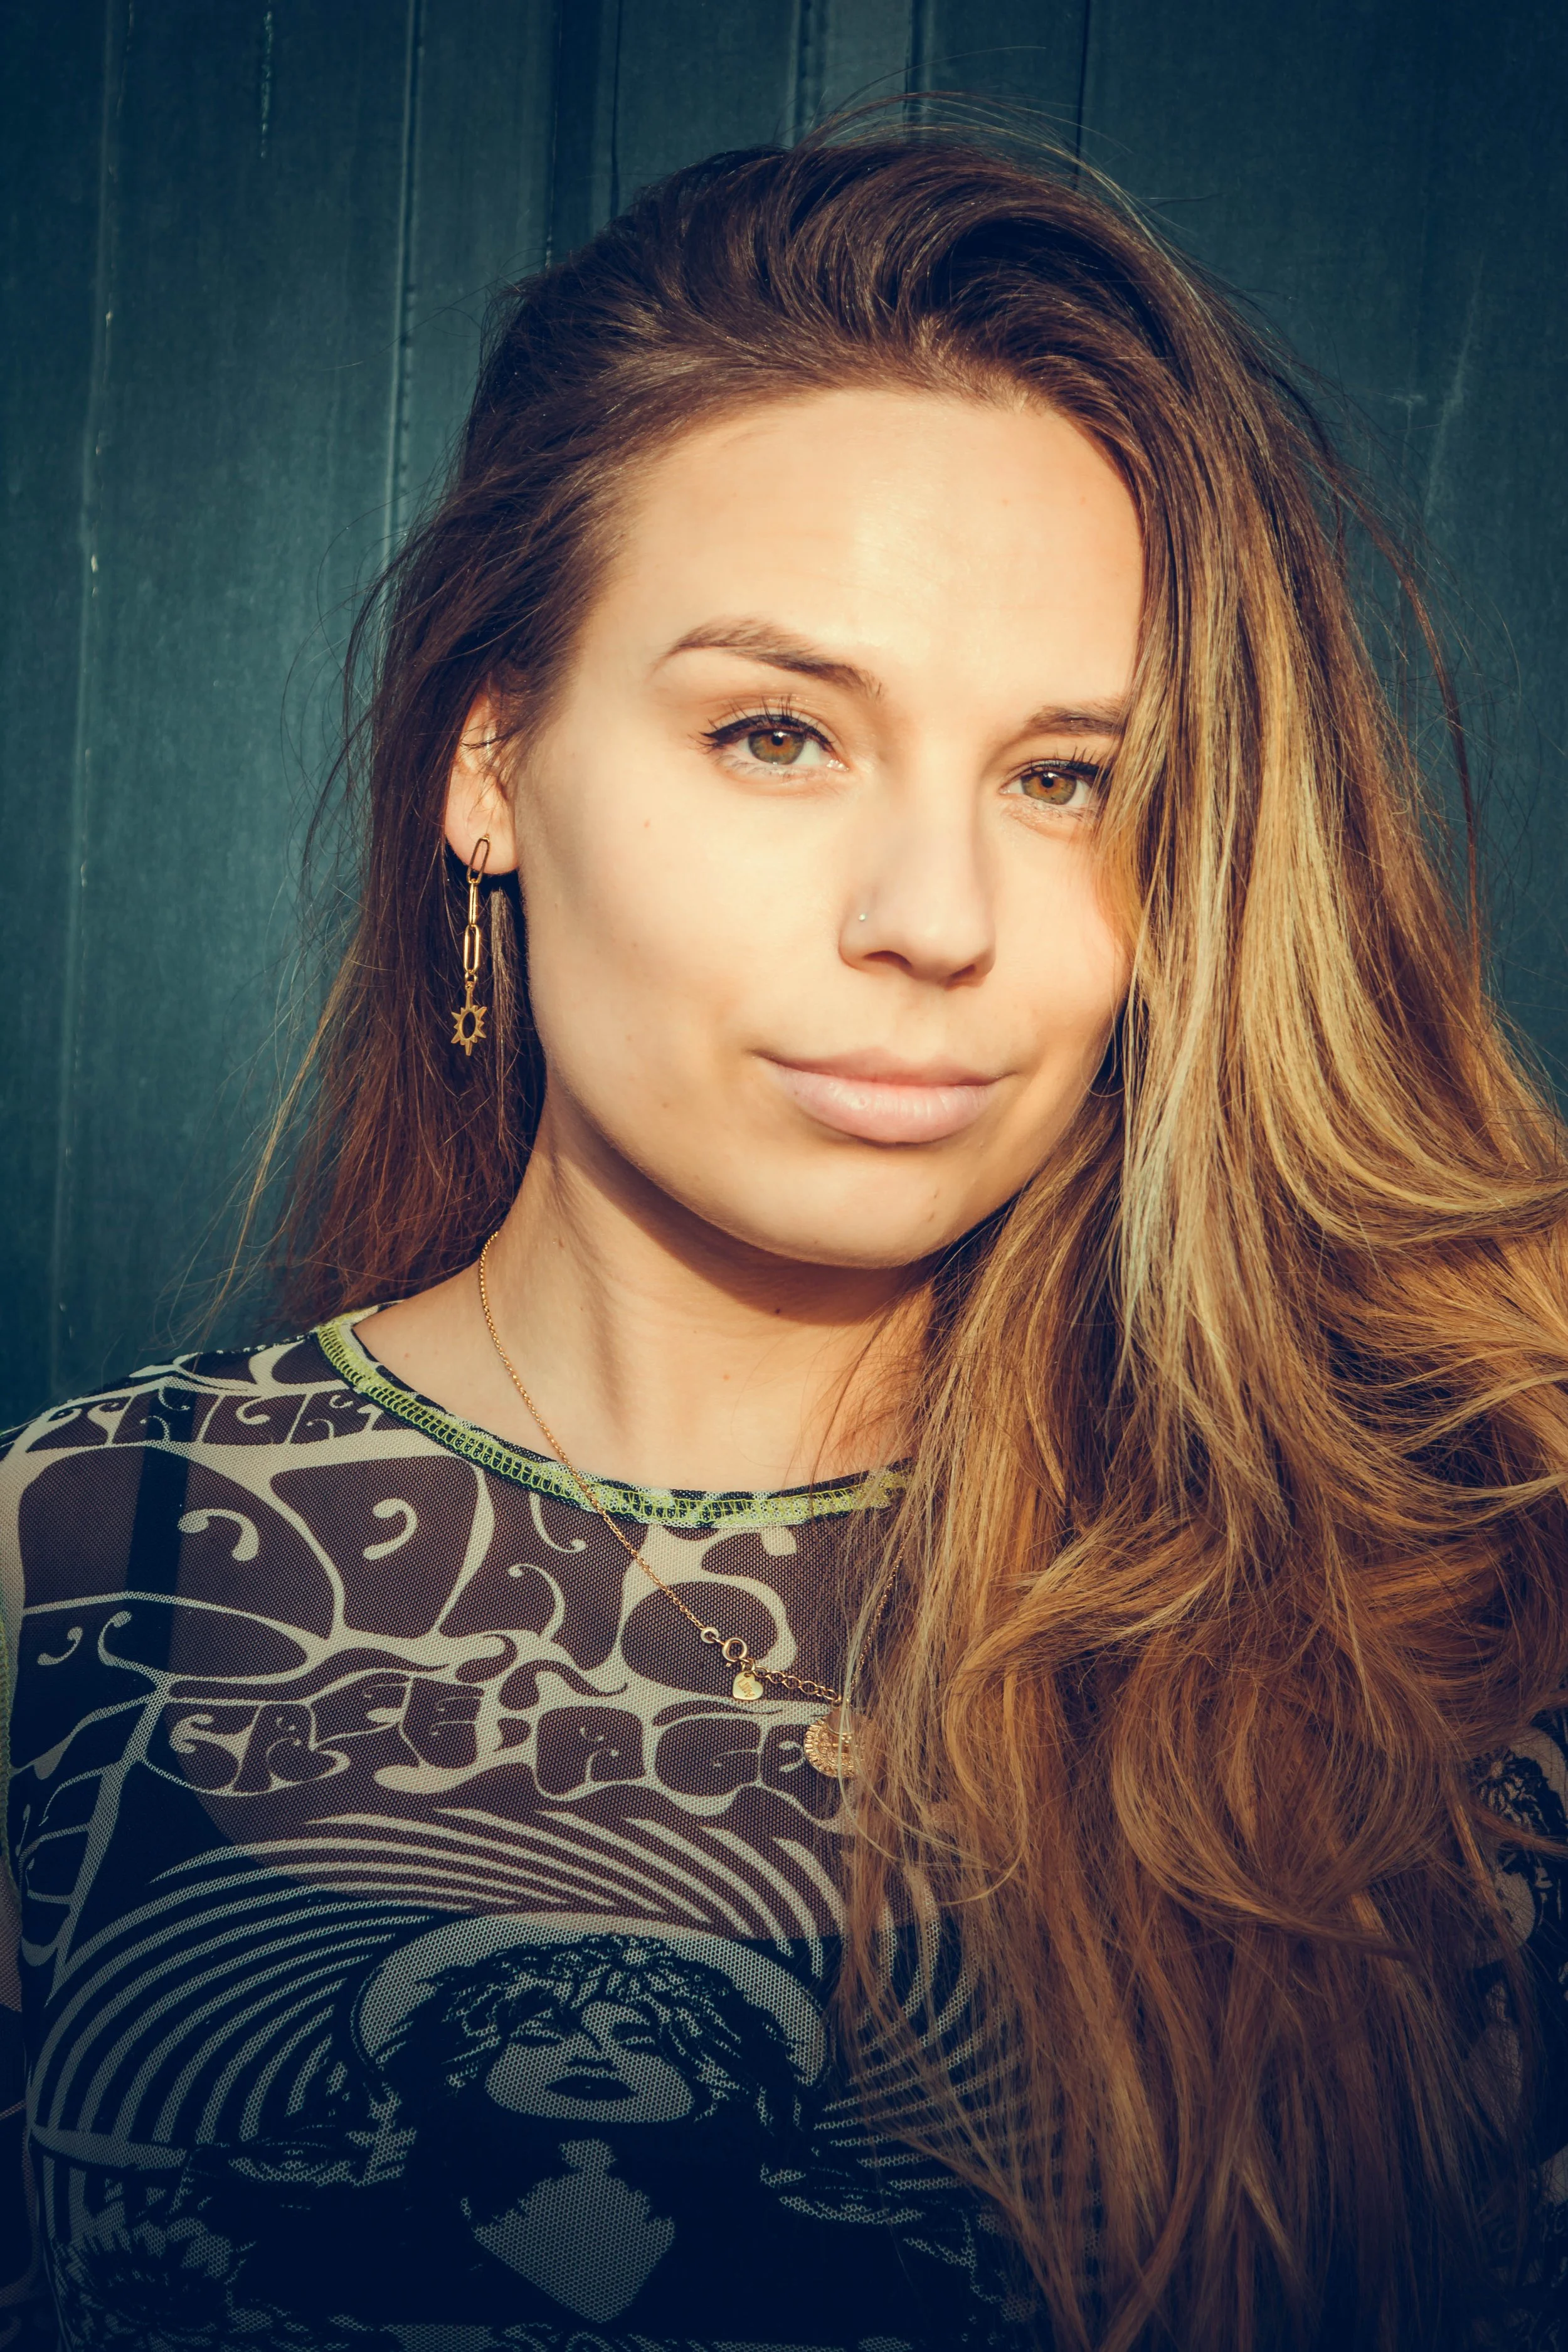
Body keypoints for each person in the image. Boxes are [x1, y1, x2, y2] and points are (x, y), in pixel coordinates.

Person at [2, 125, 1565, 2352]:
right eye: (776, 731)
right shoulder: (73, 1568)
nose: (934, 920)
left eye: (1064, 780)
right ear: (489, 761)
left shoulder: (1438, 1623)